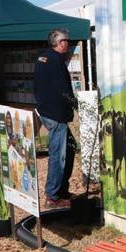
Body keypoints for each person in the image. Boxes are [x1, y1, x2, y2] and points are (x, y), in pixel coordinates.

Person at [34, 28, 76, 207]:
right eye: (66, 40)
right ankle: (53, 196)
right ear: (60, 43)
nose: (68, 43)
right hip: (56, 115)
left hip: (47, 111)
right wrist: (76, 104)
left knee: (71, 147)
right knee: (58, 155)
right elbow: (63, 90)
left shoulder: (42, 58)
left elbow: (36, 85)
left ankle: (62, 190)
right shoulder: (56, 60)